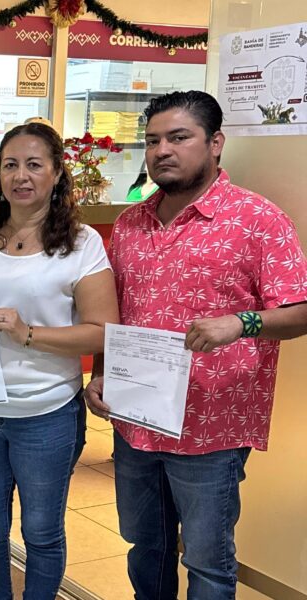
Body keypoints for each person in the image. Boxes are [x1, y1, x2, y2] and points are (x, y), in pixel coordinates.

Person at [85, 90, 307, 599]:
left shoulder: (257, 219)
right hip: (135, 418)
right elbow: (114, 312)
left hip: (211, 426)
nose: (162, 150)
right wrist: (99, 371)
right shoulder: (130, 224)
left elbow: (300, 310)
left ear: (215, 143)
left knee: (207, 560)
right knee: (145, 546)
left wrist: (241, 323)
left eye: (179, 137)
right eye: (152, 140)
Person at [0, 122, 119, 599]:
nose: (21, 176)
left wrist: (29, 334)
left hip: (47, 414)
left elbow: (103, 330)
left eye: (35, 165)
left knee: (41, 532)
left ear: (57, 173)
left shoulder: (81, 243)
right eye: (11, 165)